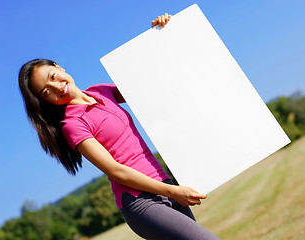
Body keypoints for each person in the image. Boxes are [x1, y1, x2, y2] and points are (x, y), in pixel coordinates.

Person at [18, 13, 220, 240]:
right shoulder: (72, 125)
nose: (57, 86)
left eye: (53, 76)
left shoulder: (100, 91)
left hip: (163, 182)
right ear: (45, 102)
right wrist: (173, 191)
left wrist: (160, 36)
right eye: (46, 91)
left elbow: (146, 82)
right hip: (140, 201)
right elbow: (115, 171)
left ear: (59, 67)